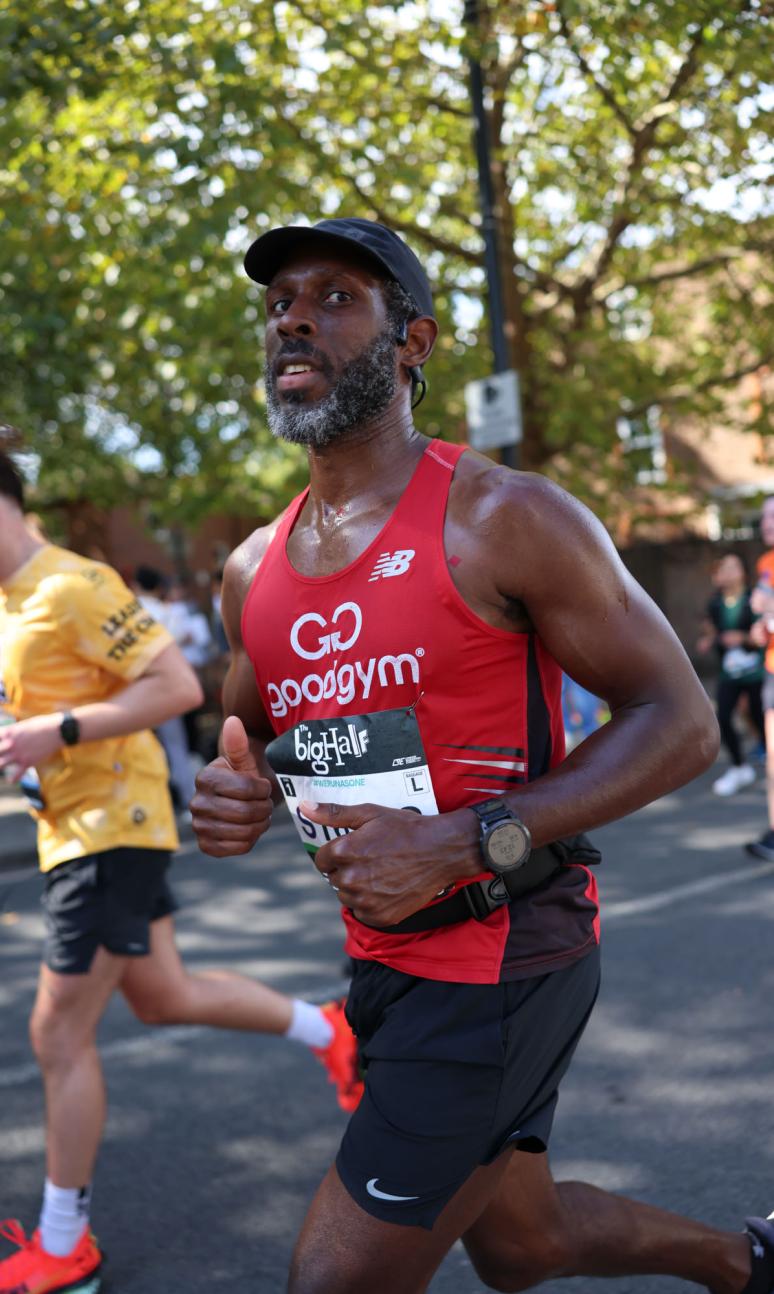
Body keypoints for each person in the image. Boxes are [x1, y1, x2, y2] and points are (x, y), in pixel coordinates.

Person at [190, 215, 774, 1294]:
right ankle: (745, 1262)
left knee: (334, 1282)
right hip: (380, 957)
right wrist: (236, 793)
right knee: (521, 1246)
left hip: (504, 953)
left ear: (413, 341)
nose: (294, 321)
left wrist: (471, 837)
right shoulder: (251, 569)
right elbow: (257, 739)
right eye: (279, 304)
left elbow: (682, 719)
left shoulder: (505, 517)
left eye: (335, 297)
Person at [0, 450, 360, 1294]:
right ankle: (331, 1031)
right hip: (70, 828)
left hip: (111, 830)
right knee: (163, 996)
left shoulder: (74, 584)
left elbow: (174, 687)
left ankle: (66, 1246)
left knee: (56, 1034)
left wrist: (61, 730)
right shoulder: (10, 600)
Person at [696, 551, 764, 796]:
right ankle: (739, 766)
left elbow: (763, 632)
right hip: (730, 671)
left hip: (756, 670)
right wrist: (709, 639)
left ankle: (767, 755)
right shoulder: (715, 603)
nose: (728, 571)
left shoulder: (754, 598)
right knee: (722, 716)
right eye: (724, 567)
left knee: (759, 715)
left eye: (733, 566)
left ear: (743, 572)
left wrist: (743, 638)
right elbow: (712, 631)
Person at [746, 499, 774, 858]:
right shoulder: (766, 563)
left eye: (773, 516)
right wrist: (759, 630)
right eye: (764, 516)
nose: (766, 522)